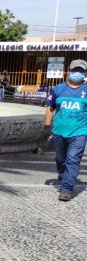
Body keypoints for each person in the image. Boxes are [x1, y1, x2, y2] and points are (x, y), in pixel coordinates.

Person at [45, 59, 87, 202]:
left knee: (73, 160)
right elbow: (51, 108)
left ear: (85, 73)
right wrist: (46, 127)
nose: (77, 73)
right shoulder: (58, 89)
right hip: (58, 131)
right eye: (75, 70)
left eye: (81, 71)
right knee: (60, 159)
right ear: (69, 70)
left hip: (79, 132)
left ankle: (66, 188)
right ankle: (64, 178)